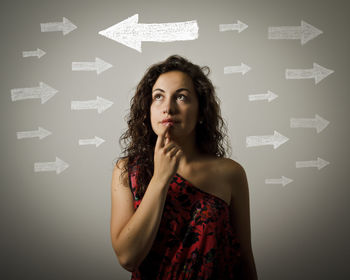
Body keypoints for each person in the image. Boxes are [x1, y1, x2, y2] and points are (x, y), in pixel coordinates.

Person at [110, 55, 258, 279]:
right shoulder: (127, 170)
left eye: (181, 97)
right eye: (158, 97)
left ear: (201, 111)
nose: (168, 108)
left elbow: (245, 258)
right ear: (147, 109)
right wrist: (160, 178)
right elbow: (128, 258)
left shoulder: (230, 173)